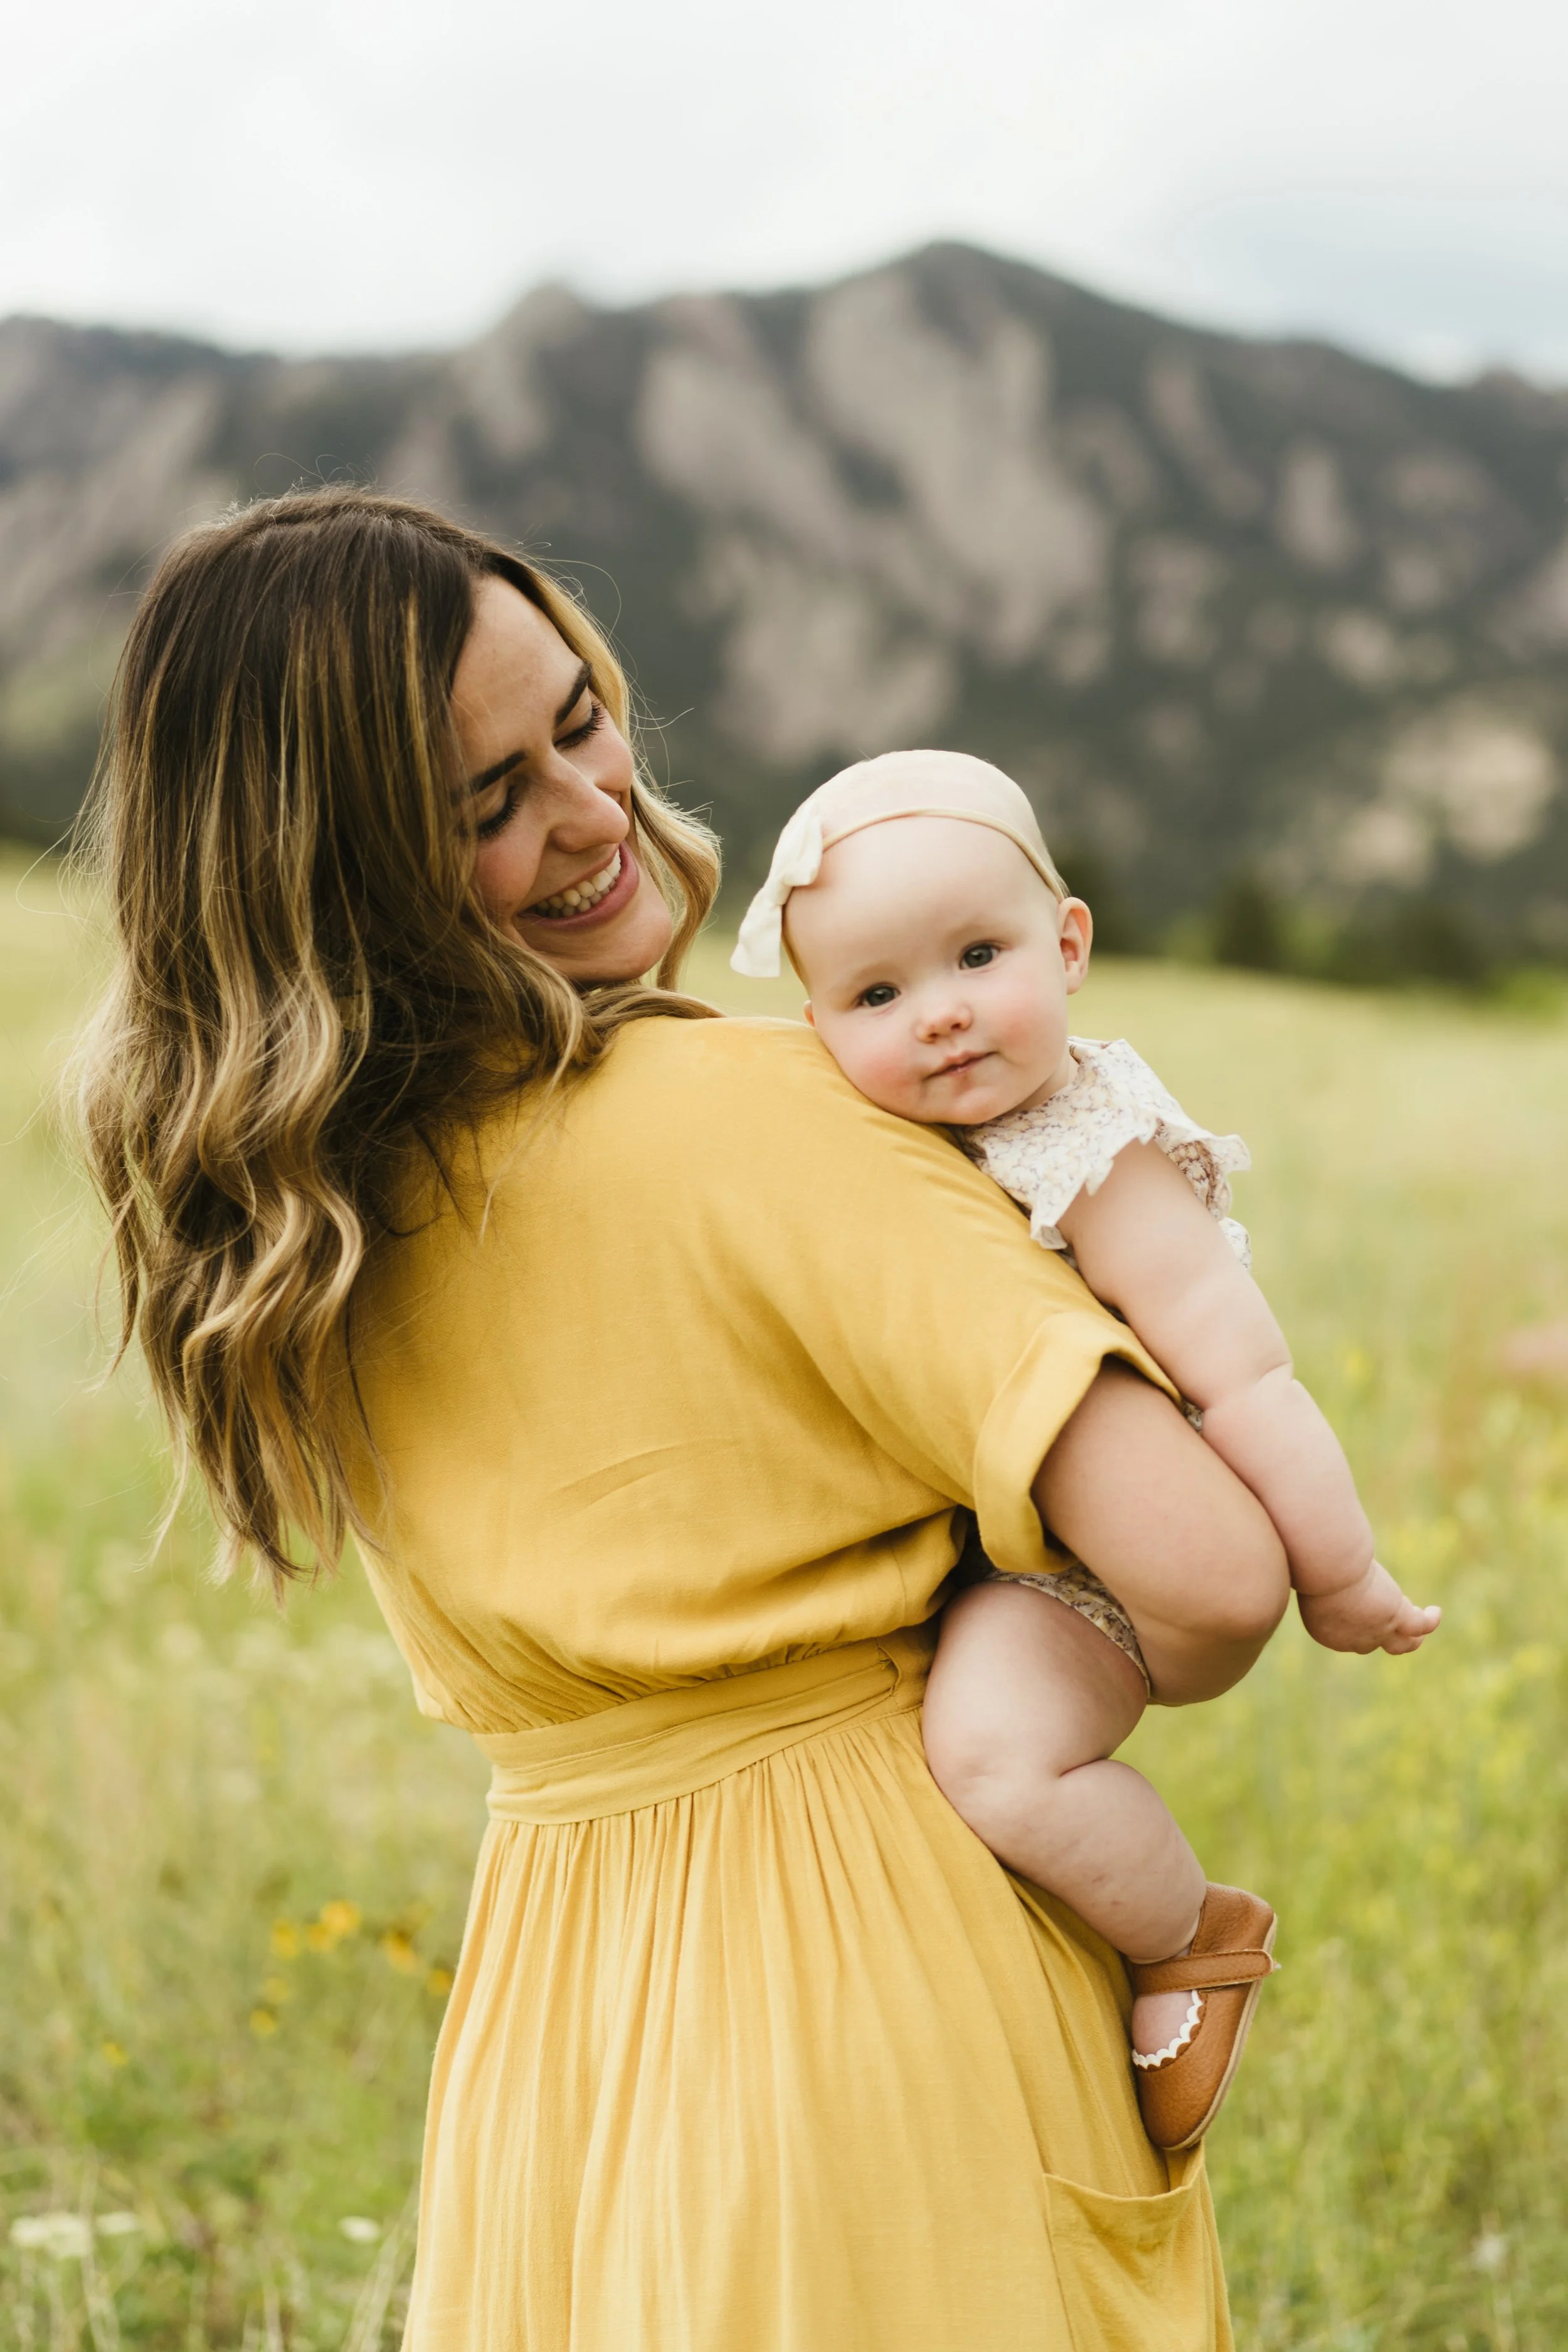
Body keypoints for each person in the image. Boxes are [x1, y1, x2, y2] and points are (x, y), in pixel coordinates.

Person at [75, 487, 1295, 2351]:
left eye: (575, 720)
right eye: (481, 801)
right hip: (891, 1992)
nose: (586, 810)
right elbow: (1209, 1573)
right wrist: (1022, 1633)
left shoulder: (299, 1226)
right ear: (347, 863)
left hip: (558, 2031)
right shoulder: (767, 1115)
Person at [730, 748, 1442, 2149]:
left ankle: (1186, 1934)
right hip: (1012, 1538)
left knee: (995, 1761)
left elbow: (1244, 1376)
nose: (937, 1018)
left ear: (1067, 947)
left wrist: (1338, 1573)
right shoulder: (906, 1131)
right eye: (876, 995)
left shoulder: (1083, 1147)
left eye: (976, 958)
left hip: (1113, 1571)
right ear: (815, 1028)